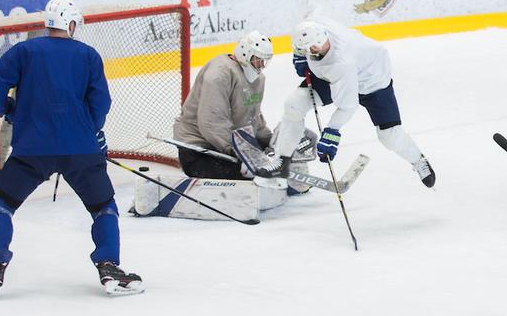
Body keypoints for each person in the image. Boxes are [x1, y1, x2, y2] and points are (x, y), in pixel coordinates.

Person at [0, 0, 143, 299]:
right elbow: (101, 102)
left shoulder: (23, 52)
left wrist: (11, 110)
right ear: (72, 24)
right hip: (81, 149)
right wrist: (90, 129)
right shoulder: (88, 55)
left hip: (31, 149)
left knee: (1, 204)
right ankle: (109, 267)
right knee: (104, 208)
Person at [255, 17, 435, 189]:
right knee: (294, 104)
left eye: (312, 49)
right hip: (337, 72)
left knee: (389, 135)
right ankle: (282, 161)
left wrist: (331, 132)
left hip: (373, 82)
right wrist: (300, 54)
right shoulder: (315, 28)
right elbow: (304, 29)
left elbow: (348, 105)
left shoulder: (342, 63)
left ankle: (418, 160)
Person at [173, 30, 274, 180]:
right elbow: (211, 123)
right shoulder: (219, 75)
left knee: (266, 171)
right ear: (245, 53)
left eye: (264, 61)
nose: (261, 66)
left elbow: (253, 119)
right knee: (247, 175)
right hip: (199, 148)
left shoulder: (258, 80)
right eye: (258, 60)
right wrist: (241, 151)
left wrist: (270, 142)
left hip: (230, 145)